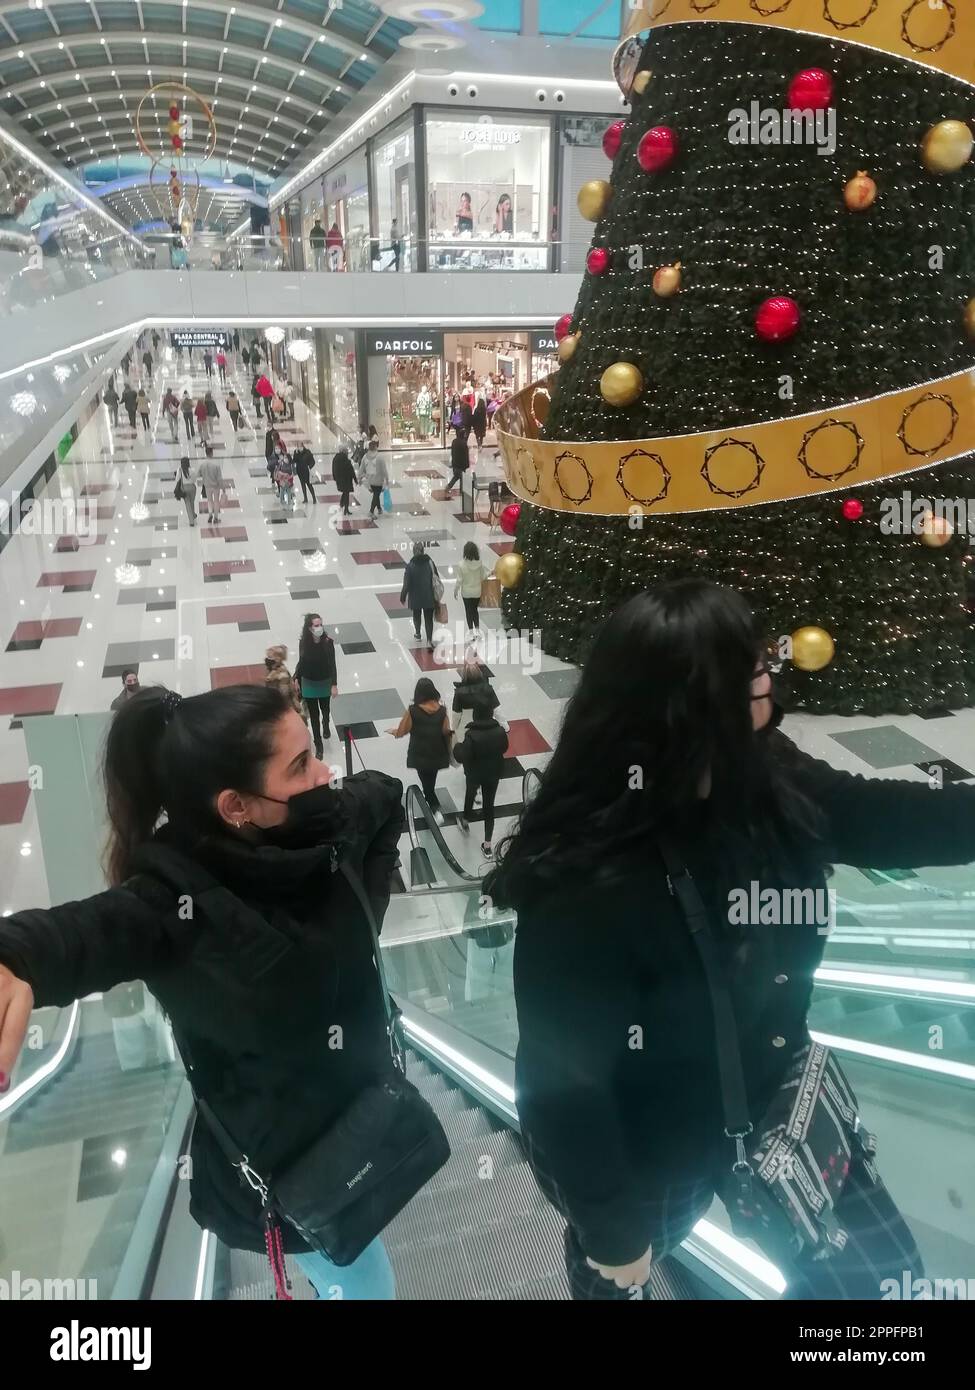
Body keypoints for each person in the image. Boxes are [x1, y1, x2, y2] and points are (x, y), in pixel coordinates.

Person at [485, 577, 975, 1302]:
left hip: (780, 1096)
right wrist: (610, 1232)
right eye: (753, 673)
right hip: (653, 1146)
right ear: (699, 706)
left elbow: (877, 815)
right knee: (619, 1285)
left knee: (877, 1284)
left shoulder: (765, 774)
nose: (770, 684)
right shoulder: (586, 881)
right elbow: (562, 1085)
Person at [0, 684, 406, 1301]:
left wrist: (362, 914)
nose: (324, 775)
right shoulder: (171, 903)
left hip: (366, 1108)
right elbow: (76, 936)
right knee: (363, 1280)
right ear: (236, 806)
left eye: (313, 752)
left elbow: (385, 799)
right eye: (299, 766)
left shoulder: (331, 823)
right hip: (280, 1167)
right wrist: (12, 958)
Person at [387, 678, 451, 825]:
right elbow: (446, 732)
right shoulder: (442, 711)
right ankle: (433, 804)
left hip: (419, 754)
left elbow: (403, 730)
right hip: (437, 753)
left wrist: (394, 732)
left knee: (426, 785)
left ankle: (435, 808)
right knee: (430, 781)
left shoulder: (413, 711)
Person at [454, 692, 508, 857]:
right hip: (493, 773)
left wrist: (457, 747)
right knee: (489, 806)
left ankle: (465, 821)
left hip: (475, 773)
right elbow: (505, 748)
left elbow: (462, 756)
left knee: (470, 794)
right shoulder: (499, 731)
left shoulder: (471, 735)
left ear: (476, 714)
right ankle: (488, 844)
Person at [294, 614, 337, 760]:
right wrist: (296, 678)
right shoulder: (303, 643)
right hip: (309, 682)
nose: (319, 628)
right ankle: (318, 744)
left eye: (320, 625)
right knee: (314, 716)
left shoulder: (328, 642)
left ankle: (326, 723)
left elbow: (333, 665)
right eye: (316, 625)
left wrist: (334, 685)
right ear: (309, 628)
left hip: (324, 681)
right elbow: (301, 662)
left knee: (325, 709)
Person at [400, 540, 439, 650]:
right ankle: (429, 640)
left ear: (413, 552)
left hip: (415, 596)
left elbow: (406, 584)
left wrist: (403, 596)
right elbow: (436, 577)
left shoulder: (410, 566)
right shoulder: (430, 562)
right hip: (428, 595)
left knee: (416, 614)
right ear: (423, 550)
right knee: (428, 618)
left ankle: (417, 634)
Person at [454, 542, 493, 635]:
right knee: (475, 610)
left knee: (468, 611)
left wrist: (455, 590)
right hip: (477, 592)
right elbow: (483, 577)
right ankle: (478, 630)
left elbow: (459, 580)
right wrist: (491, 572)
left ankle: (471, 632)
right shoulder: (479, 564)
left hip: (466, 593)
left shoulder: (461, 565)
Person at [264, 644, 305, 721]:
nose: (267, 659)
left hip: (283, 707)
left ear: (278, 659)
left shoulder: (281, 674)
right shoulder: (274, 671)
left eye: (270, 657)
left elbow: (285, 692)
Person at [359, 440, 389, 519]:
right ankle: (371, 511)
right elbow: (384, 470)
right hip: (378, 479)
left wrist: (359, 478)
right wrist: (387, 479)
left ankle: (379, 509)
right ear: (376, 447)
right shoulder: (379, 457)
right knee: (376, 494)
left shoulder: (365, 456)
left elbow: (361, 468)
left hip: (369, 480)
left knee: (376, 494)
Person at [198, 446, 224, 525]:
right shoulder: (216, 464)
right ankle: (216, 517)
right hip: (216, 486)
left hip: (207, 486)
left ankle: (210, 515)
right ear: (212, 453)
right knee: (216, 501)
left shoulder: (202, 464)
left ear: (206, 453)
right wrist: (223, 487)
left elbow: (199, 474)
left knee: (209, 501)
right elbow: (219, 478)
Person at [444, 431, 469, 499]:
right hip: (461, 464)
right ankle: (458, 490)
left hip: (455, 463)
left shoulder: (454, 441)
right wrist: (467, 464)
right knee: (460, 477)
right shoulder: (463, 443)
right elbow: (465, 455)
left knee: (457, 476)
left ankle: (450, 487)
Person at [332, 447, 356, 516]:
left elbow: (333, 469)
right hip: (346, 480)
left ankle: (342, 505)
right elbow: (351, 471)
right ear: (345, 452)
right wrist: (355, 480)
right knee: (346, 494)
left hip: (339, 480)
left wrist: (335, 477)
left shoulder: (335, 459)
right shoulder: (346, 460)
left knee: (345, 493)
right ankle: (345, 509)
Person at [175, 456, 197, 527]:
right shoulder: (192, 470)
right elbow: (194, 480)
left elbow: (177, 479)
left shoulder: (179, 470)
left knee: (187, 504)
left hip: (184, 488)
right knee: (192, 502)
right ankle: (193, 514)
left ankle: (191, 521)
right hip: (192, 487)